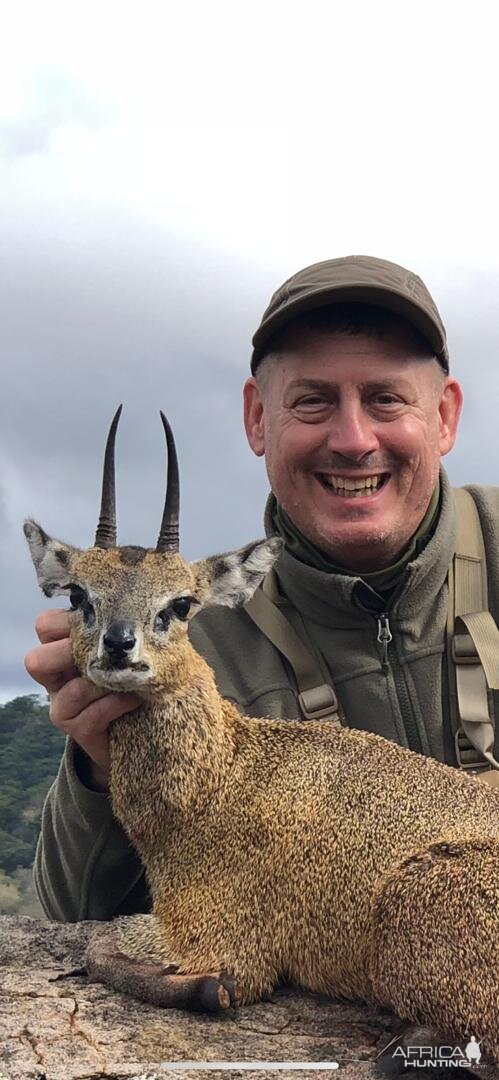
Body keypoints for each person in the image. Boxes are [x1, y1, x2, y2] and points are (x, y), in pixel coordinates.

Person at [24, 255, 499, 923]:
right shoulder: (195, 642)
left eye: (385, 398)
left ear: (444, 415)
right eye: (313, 400)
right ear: (256, 419)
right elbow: (74, 919)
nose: (353, 439)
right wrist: (100, 770)